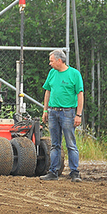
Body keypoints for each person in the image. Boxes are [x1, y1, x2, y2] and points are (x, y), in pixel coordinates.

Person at [40, 49, 84, 182]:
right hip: (53, 112)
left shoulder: (74, 74)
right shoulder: (52, 73)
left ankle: (74, 172)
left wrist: (78, 114)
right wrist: (45, 110)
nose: (50, 63)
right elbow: (47, 91)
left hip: (68, 112)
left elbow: (80, 94)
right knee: (55, 144)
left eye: (51, 61)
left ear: (60, 60)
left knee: (71, 143)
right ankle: (53, 172)